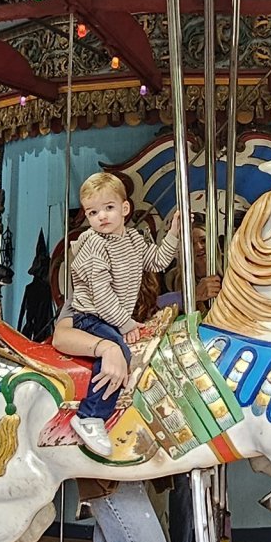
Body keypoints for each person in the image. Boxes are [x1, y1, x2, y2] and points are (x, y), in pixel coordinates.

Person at [50, 172, 178, 459]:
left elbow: (157, 262)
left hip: (113, 317)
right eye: (93, 213)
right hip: (91, 317)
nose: (102, 217)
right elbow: (101, 294)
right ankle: (90, 416)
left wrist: (173, 234)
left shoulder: (133, 240)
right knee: (119, 351)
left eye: (108, 208)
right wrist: (126, 324)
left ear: (125, 208)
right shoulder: (94, 244)